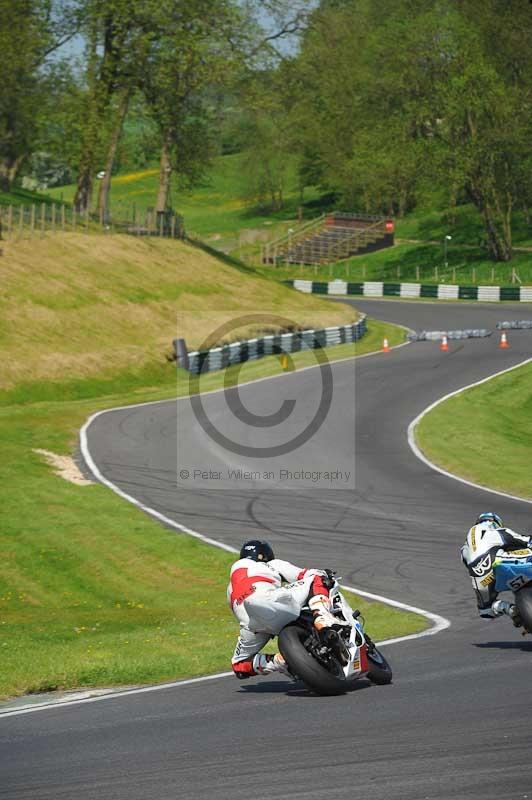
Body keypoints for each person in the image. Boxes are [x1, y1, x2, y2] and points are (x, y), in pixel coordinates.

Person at [228, 539, 346, 679]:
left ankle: (278, 661)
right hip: (270, 598)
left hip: (252, 622)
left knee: (240, 665)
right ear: (265, 555)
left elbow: (238, 611)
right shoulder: (270, 564)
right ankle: (322, 617)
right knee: (317, 578)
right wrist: (325, 574)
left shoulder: (229, 588)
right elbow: (302, 575)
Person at [461, 512, 532, 620]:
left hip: (481, 577)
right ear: (495, 522)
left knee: (485, 612)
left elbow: (467, 563)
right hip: (496, 560)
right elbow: (525, 541)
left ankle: (510, 609)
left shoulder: (465, 547)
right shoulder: (492, 529)